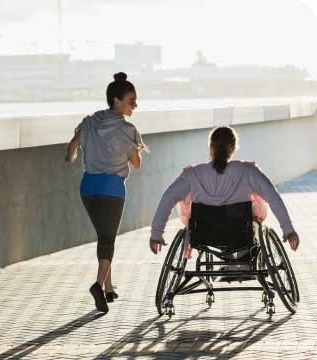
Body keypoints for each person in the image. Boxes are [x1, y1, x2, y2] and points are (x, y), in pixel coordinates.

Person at [65, 72, 148, 313]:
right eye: (131, 100)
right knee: (108, 238)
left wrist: (75, 156)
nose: (135, 105)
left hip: (88, 187)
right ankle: (98, 285)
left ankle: (109, 287)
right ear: (116, 100)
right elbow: (136, 163)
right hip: (111, 188)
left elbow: (71, 150)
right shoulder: (127, 129)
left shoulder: (89, 122)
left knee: (104, 235)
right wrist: (132, 149)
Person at [149, 126, 299, 256]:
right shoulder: (247, 171)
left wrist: (156, 234)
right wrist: (288, 230)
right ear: (233, 149)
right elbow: (273, 196)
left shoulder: (192, 175)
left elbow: (168, 198)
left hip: (203, 234)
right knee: (253, 220)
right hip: (240, 233)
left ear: (210, 148)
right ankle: (240, 263)